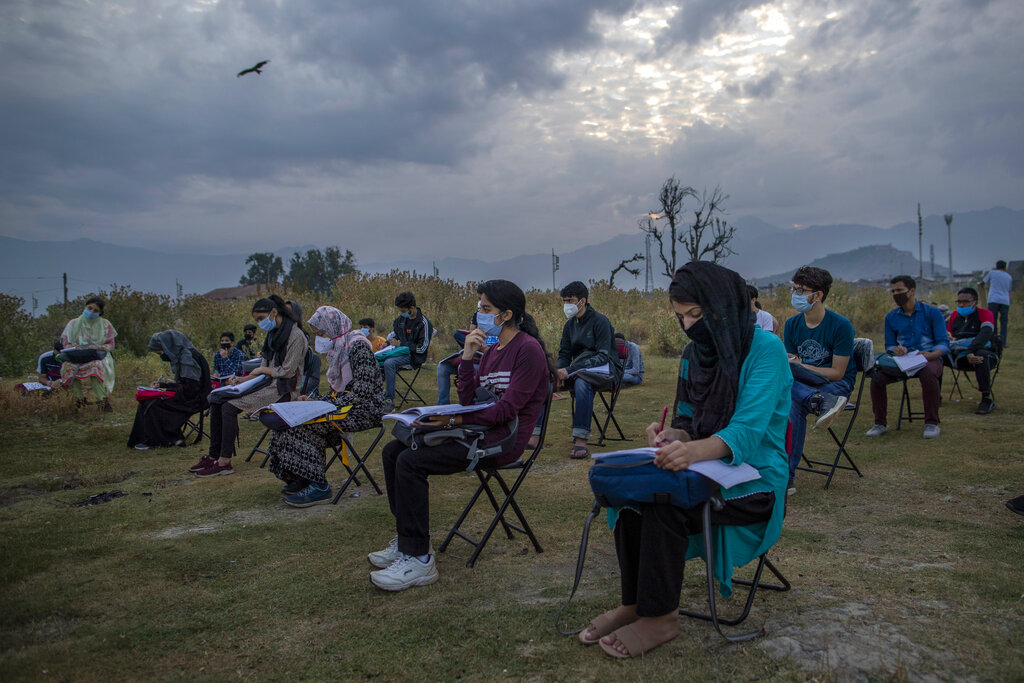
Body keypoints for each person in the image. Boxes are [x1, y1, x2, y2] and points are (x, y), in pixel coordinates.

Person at [579, 262, 790, 659]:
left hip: (755, 477)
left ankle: (661, 617)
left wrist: (691, 450)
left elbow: (746, 431)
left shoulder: (767, 350)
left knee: (664, 501)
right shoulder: (695, 354)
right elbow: (687, 421)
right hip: (703, 467)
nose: (690, 325)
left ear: (725, 306)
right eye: (681, 316)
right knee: (634, 493)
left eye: (698, 314)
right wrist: (672, 437)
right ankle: (636, 603)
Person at [367, 280, 550, 592]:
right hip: (476, 430)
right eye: (479, 307)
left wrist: (453, 418)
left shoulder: (528, 351)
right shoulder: (492, 352)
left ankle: (419, 559)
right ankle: (407, 538)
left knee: (411, 462)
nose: (478, 314)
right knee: (392, 452)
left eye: (485, 309)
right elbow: (468, 399)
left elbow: (506, 412)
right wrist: (467, 357)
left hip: (501, 441)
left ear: (506, 315)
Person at [267, 306, 390, 507]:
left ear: (333, 328)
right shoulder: (338, 349)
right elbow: (339, 393)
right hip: (345, 407)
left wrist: (324, 405)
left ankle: (319, 486)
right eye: (317, 334)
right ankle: (300, 476)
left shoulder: (357, 347)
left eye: (321, 333)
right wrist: (315, 402)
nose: (320, 338)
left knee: (306, 426)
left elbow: (362, 393)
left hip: (366, 410)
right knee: (287, 423)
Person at [190, 295, 308, 478]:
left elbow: (287, 371)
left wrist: (262, 370)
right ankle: (214, 456)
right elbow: (265, 363)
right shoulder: (274, 334)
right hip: (267, 384)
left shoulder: (295, 336)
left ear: (274, 312)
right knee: (216, 400)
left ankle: (224, 462)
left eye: (261, 319)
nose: (260, 324)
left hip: (283, 389)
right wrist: (244, 380)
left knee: (228, 408)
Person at [783, 267, 855, 490]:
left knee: (791, 393)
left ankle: (787, 477)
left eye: (802, 290)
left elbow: (838, 373)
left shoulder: (840, 325)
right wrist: (795, 365)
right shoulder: (792, 324)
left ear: (819, 295)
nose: (796, 294)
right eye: (794, 289)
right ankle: (818, 401)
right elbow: (791, 365)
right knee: (787, 381)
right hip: (807, 386)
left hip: (835, 386)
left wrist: (799, 365)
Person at [867, 275, 949, 439]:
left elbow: (943, 343)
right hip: (903, 361)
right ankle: (879, 423)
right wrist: (896, 350)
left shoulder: (932, 313)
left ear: (911, 291)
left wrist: (931, 354)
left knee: (927, 374)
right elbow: (889, 345)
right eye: (893, 291)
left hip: (928, 358)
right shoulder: (891, 317)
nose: (896, 294)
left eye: (899, 290)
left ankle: (931, 423)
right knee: (877, 378)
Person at [556, 281, 623, 459]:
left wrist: (571, 369)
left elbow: (603, 356)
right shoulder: (569, 326)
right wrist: (558, 371)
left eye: (570, 300)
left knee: (582, 382)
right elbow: (564, 353)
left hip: (605, 371)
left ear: (582, 301)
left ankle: (581, 440)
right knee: (544, 382)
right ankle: (533, 435)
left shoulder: (600, 322)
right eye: (564, 301)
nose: (566, 305)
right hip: (578, 369)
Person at [128, 330, 211, 450]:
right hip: (189, 395)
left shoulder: (188, 358)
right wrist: (162, 386)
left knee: (154, 404)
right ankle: (153, 438)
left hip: (196, 399)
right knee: (146, 401)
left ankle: (165, 439)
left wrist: (164, 391)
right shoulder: (182, 355)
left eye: (160, 352)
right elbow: (184, 384)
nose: (161, 355)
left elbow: (191, 389)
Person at [59, 296, 117, 411]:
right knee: (68, 367)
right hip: (77, 355)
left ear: (100, 313)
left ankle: (103, 401)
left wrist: (98, 347)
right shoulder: (73, 323)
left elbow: (111, 344)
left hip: (97, 355)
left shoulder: (105, 324)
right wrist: (71, 346)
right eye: (89, 308)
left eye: (95, 311)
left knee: (96, 367)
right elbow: (65, 343)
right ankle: (79, 399)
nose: (91, 312)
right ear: (85, 307)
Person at [946, 287, 997, 414]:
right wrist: (947, 336)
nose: (961, 305)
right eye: (959, 302)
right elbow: (947, 334)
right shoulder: (953, 316)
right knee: (936, 355)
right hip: (958, 355)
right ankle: (935, 396)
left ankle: (986, 398)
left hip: (983, 352)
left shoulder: (985, 313)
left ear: (975, 302)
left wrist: (970, 351)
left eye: (965, 302)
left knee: (980, 356)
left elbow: (985, 334)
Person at [380, 292, 432, 407]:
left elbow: (422, 348)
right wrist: (387, 343)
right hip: (398, 352)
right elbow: (397, 336)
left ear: (412, 308)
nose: (401, 314)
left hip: (413, 357)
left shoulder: (424, 323)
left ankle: (389, 400)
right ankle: (376, 396)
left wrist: (401, 344)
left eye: (403, 311)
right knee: (375, 360)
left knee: (389, 363)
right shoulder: (400, 321)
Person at [437, 311, 479, 405]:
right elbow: (471, 331)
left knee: (462, 367)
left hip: (485, 361)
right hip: (474, 353)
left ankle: (466, 404)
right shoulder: (477, 314)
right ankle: (442, 405)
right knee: (442, 367)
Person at [979, 260, 1012, 348]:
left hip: (993, 299)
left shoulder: (992, 273)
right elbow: (1009, 289)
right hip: (1005, 301)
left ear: (996, 267)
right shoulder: (1009, 276)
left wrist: (980, 285)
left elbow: (982, 282)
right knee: (1004, 322)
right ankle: (1003, 342)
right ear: (1005, 268)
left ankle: (993, 340)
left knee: (992, 320)